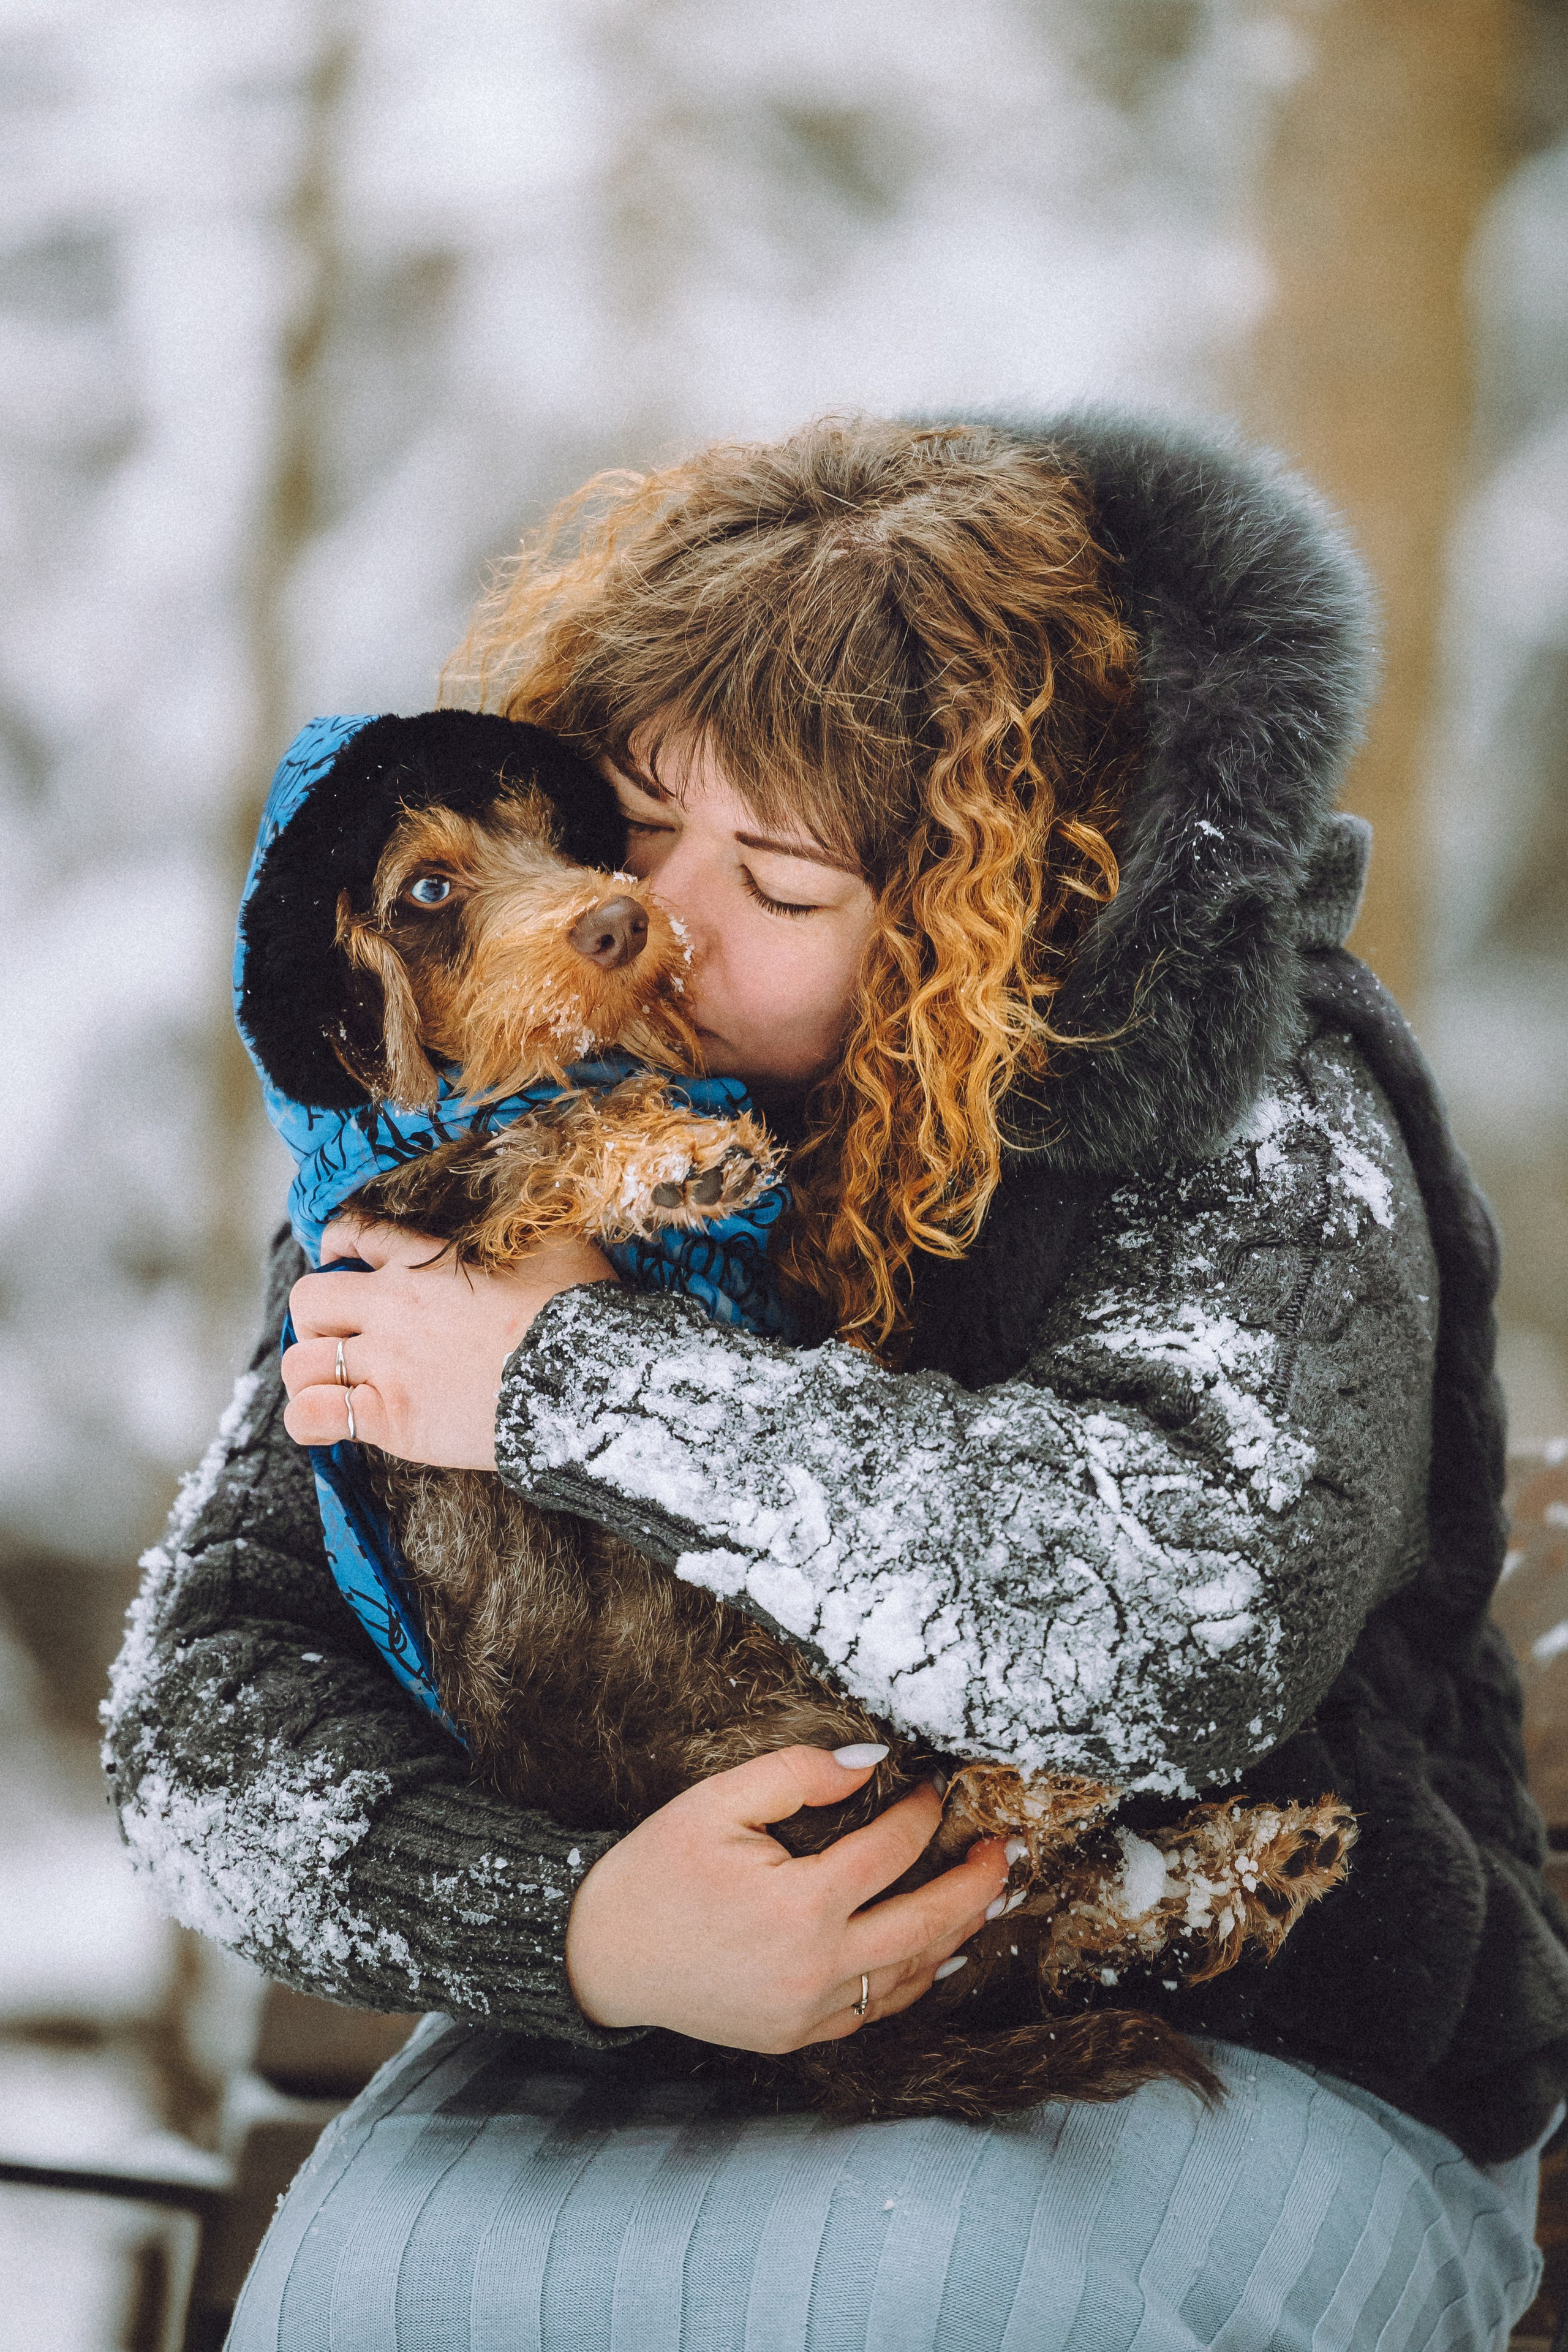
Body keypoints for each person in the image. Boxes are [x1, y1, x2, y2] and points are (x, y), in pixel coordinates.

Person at [105, 414, 1568, 2350]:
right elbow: (208, 1720)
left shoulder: (1259, 1117)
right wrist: (587, 1929)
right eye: (632, 824)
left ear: (991, 908)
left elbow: (1168, 1615)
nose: (654, 920)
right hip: (661, 2013)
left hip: (1260, 2015)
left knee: (904, 2296)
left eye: (784, 887)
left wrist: (567, 1381)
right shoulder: (479, 1119)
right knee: (367, 2297)